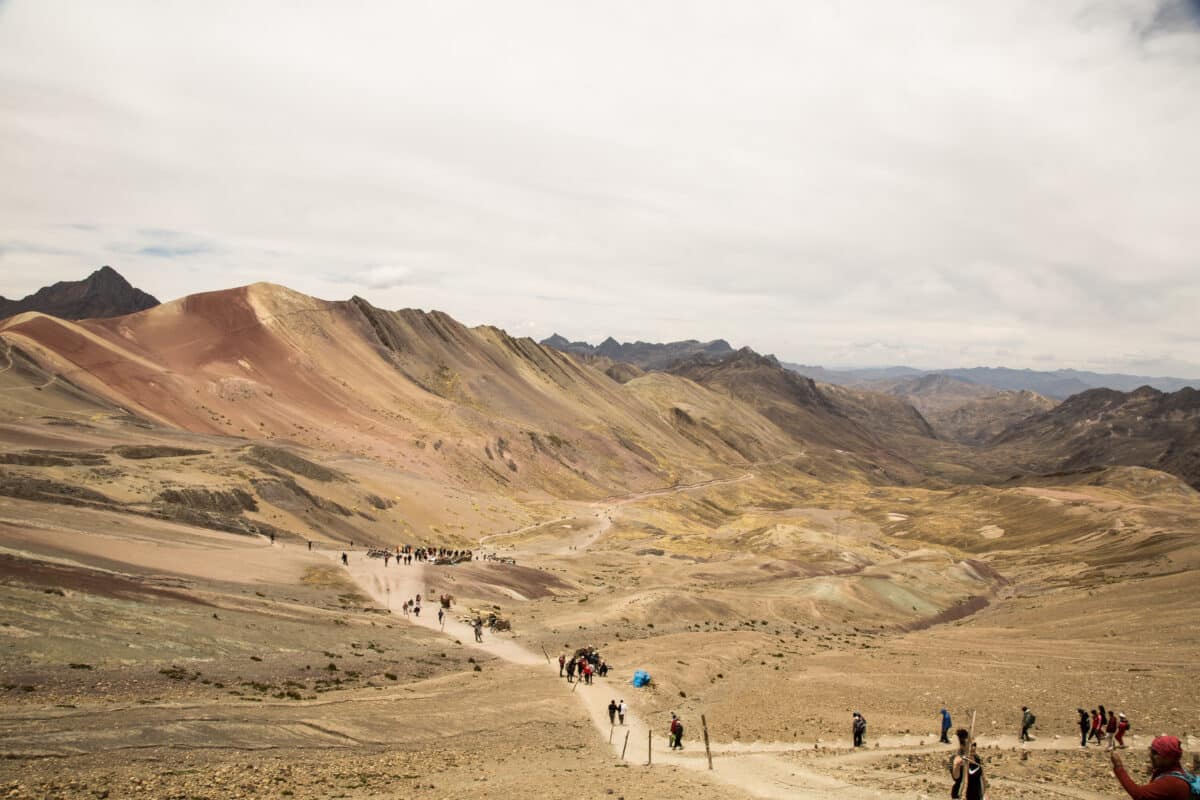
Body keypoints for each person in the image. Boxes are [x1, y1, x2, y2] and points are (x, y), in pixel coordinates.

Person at [1110, 735, 1193, 799]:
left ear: (1168, 758)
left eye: (1155, 752)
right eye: (1151, 750)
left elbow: (1139, 795)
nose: (1150, 755)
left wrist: (1118, 766)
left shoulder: (1172, 782)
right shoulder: (1175, 771)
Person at [951, 729, 986, 800]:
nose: (973, 748)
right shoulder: (957, 759)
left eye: (974, 745)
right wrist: (956, 765)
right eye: (970, 746)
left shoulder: (977, 758)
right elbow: (956, 777)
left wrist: (985, 794)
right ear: (962, 746)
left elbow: (982, 778)